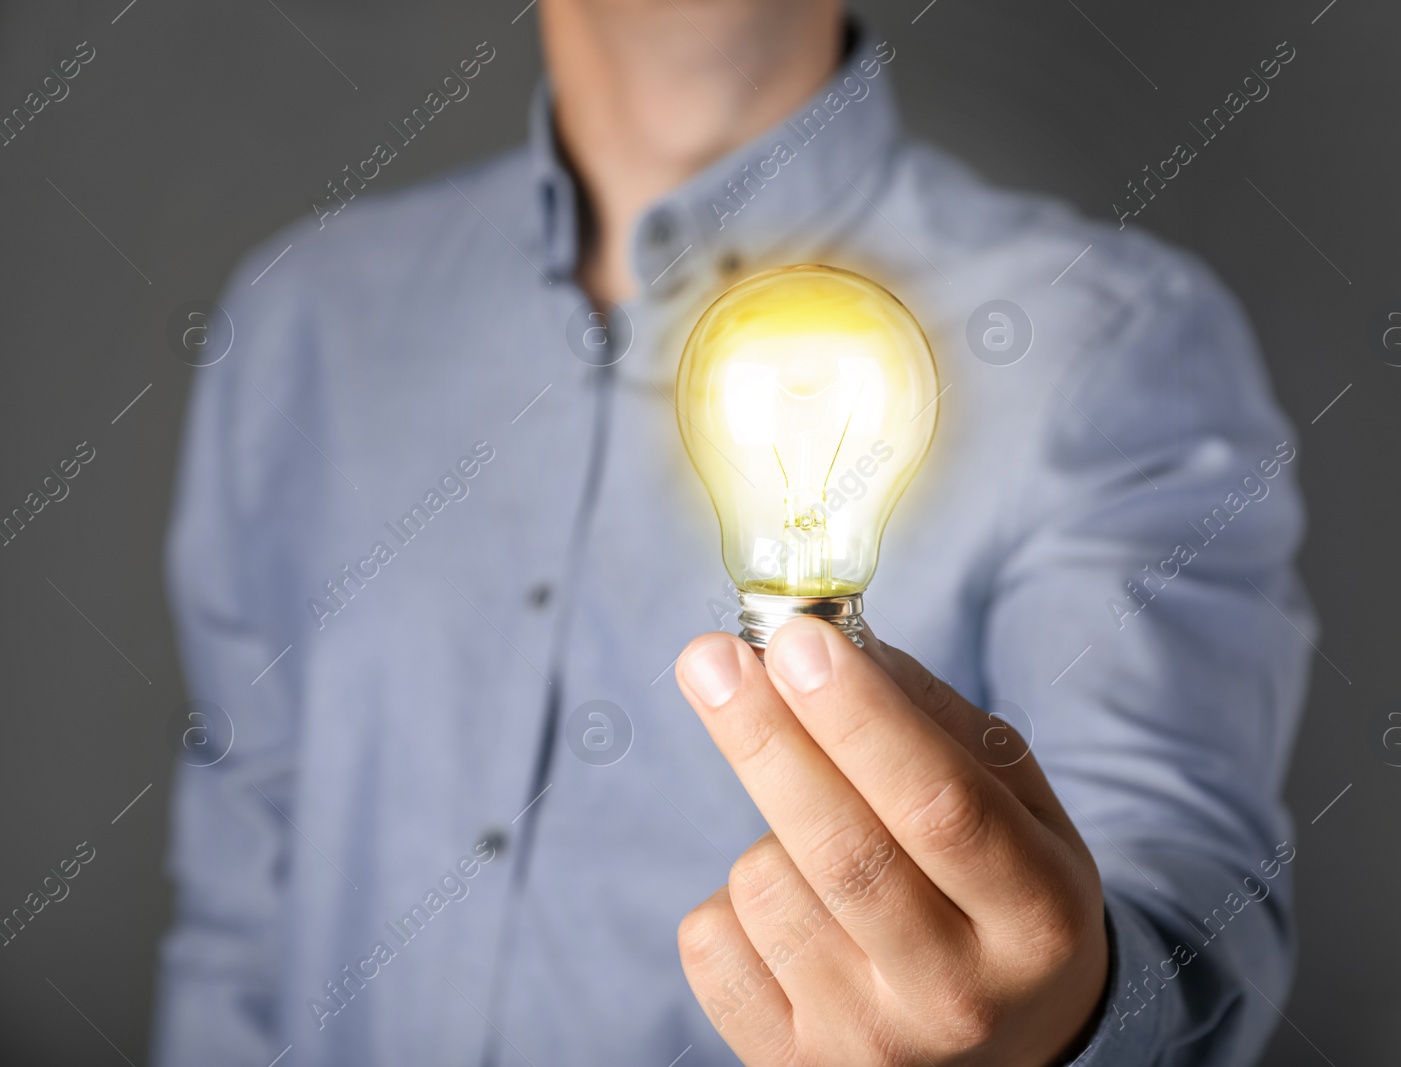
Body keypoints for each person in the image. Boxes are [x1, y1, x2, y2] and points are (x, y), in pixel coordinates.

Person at [155, 1, 1313, 1064]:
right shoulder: (305, 319)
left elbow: (1181, 886)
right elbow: (244, 897)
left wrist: (1062, 1015)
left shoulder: (1099, 337)